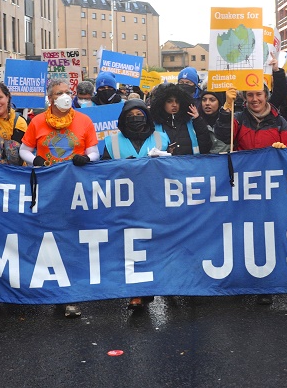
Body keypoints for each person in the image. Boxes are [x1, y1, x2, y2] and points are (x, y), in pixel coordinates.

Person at [19, 79, 99, 318]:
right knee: (51, 240)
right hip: (48, 189)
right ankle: (54, 290)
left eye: (67, 92)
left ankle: (72, 295)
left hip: (75, 189)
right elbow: (25, 149)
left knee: (73, 240)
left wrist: (88, 159)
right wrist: (36, 161)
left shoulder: (84, 121)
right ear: (50, 98)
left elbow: (94, 151)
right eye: (59, 93)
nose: (65, 96)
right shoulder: (37, 122)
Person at [214, 85, 287, 306]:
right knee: (245, 232)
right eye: (250, 95)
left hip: (272, 189)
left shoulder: (280, 121)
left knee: (267, 234)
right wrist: (226, 107)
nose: (255, 99)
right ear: (245, 97)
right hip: (245, 186)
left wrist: (282, 150)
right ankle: (245, 279)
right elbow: (222, 133)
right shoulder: (238, 118)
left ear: (266, 96)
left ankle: (265, 284)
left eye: (259, 94)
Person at [101, 99, 169, 310]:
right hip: (125, 204)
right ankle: (136, 293)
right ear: (122, 120)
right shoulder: (111, 142)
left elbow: (175, 166)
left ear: (147, 117)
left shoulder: (162, 138)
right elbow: (102, 172)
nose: (135, 119)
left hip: (155, 201)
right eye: (129, 116)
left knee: (154, 248)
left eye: (139, 114)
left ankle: (151, 288)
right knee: (130, 249)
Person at [149, 83, 212, 156]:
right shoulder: (154, 125)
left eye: (177, 101)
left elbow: (206, 146)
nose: (174, 105)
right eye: (169, 101)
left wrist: (198, 121)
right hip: (165, 165)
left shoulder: (191, 121)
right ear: (161, 103)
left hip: (190, 165)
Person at [199, 89, 230, 153]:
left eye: (212, 100)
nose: (207, 103)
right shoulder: (195, 120)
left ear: (219, 102)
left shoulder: (229, 119)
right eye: (204, 100)